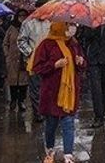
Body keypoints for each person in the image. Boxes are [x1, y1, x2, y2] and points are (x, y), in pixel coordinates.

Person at [30, 22, 86, 163]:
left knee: (68, 122)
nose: (72, 28)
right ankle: (50, 149)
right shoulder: (47, 44)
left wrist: (81, 62)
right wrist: (54, 65)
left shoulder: (73, 44)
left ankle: (68, 155)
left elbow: (82, 66)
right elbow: (37, 68)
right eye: (68, 25)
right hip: (52, 93)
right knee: (51, 123)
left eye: (72, 25)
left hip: (70, 92)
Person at [18, 17, 51, 123]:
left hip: (48, 61)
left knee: (47, 87)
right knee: (35, 88)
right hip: (33, 61)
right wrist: (31, 53)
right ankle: (38, 112)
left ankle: (47, 110)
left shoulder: (50, 22)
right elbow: (21, 41)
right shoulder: (28, 23)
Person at [3, 9, 31, 112]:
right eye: (20, 15)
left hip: (24, 59)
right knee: (13, 82)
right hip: (12, 59)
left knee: (24, 82)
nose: (22, 18)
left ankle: (21, 101)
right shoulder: (11, 28)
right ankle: (13, 100)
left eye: (24, 15)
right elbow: (5, 43)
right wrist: (7, 55)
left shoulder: (28, 27)